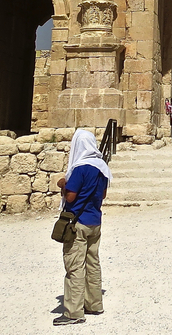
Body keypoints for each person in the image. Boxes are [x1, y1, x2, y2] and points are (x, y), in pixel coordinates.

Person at [54, 129, 112, 326]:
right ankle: (94, 304)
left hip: (77, 223)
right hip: (95, 221)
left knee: (75, 266)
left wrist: (63, 184)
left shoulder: (80, 168)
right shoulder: (102, 167)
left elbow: (70, 196)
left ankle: (73, 312)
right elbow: (102, 195)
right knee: (93, 263)